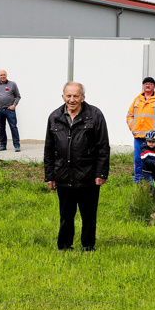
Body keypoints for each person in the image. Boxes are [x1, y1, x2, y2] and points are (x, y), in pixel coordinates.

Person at [44, 82, 109, 252]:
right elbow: (49, 149)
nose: (72, 100)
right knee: (66, 215)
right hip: (63, 174)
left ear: (83, 98)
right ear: (63, 97)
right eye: (69, 96)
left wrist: (101, 172)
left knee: (88, 215)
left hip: (88, 175)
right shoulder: (54, 117)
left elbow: (103, 146)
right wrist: (50, 175)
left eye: (76, 96)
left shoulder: (95, 115)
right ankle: (64, 246)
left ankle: (88, 246)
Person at [126, 77, 155, 183]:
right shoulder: (137, 99)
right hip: (139, 137)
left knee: (154, 160)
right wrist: (133, 127)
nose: (147, 85)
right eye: (146, 83)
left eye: (150, 84)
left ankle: (154, 181)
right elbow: (129, 115)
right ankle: (138, 180)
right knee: (138, 159)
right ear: (143, 85)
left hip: (153, 138)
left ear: (154, 86)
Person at [0, 70, 22, 152]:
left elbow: (18, 96)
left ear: (6, 75)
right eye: (1, 75)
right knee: (1, 128)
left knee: (13, 127)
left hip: (10, 110)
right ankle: (2, 145)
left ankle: (17, 145)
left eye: (4, 75)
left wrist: (14, 105)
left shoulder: (12, 84)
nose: (3, 76)